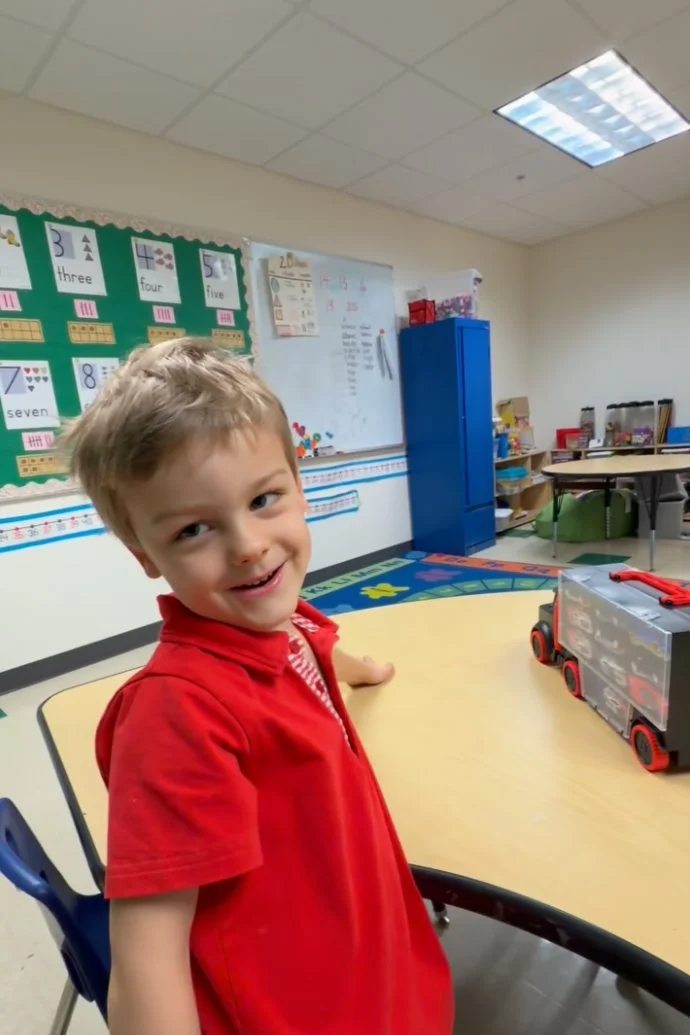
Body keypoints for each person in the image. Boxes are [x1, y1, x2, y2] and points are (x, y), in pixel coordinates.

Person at [62, 337, 453, 1035]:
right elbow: (146, 959)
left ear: (299, 487)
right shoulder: (177, 715)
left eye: (264, 498)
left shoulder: (281, 622)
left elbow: (322, 647)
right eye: (194, 529)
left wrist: (373, 671)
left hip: (371, 963)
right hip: (301, 1008)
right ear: (144, 553)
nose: (247, 545)